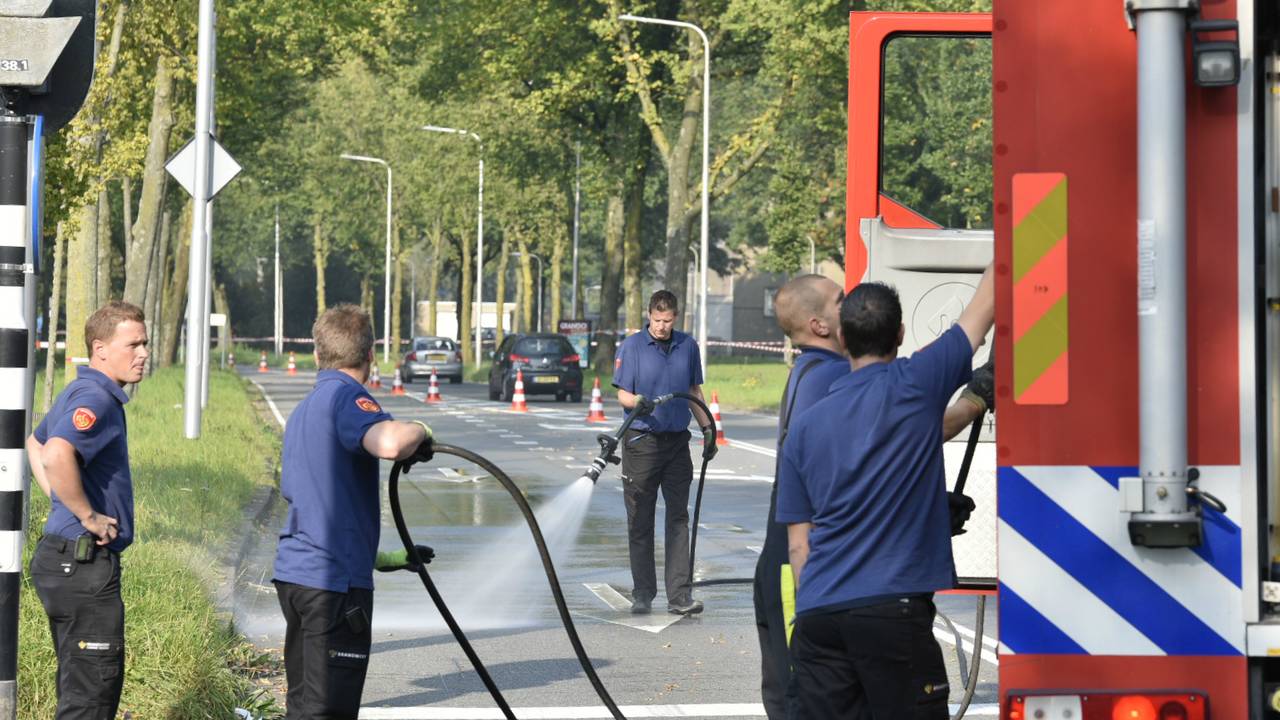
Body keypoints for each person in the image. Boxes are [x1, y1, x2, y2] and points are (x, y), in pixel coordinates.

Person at [753, 276, 994, 720]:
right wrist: (978, 397)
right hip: (891, 609)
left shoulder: (803, 422)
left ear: (844, 336)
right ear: (900, 334)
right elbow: (981, 311)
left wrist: (812, 612)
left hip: (820, 612)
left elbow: (800, 544)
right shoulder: (915, 382)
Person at [272, 305, 434, 719]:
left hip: (299, 578)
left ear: (317, 353)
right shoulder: (346, 398)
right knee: (328, 711)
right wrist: (422, 431)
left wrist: (386, 558)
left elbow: (321, 509)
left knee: (304, 707)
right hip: (333, 588)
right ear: (371, 354)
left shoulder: (304, 411)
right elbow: (391, 443)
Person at [25, 301, 149, 719]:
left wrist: (62, 499)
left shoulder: (82, 391)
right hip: (83, 564)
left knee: (79, 688)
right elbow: (55, 452)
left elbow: (36, 443)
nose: (143, 353)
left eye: (145, 343)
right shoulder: (96, 398)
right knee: (91, 697)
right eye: (133, 344)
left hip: (64, 561)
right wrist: (86, 514)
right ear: (100, 349)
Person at [612, 289, 717, 615]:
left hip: (676, 444)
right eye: (657, 320)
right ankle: (643, 593)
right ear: (649, 316)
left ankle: (679, 596)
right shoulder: (632, 347)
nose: (661, 326)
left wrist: (708, 428)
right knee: (640, 519)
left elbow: (693, 391)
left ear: (676, 318)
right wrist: (637, 401)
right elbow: (623, 395)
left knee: (678, 518)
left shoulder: (688, 346)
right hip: (641, 444)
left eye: (667, 321)